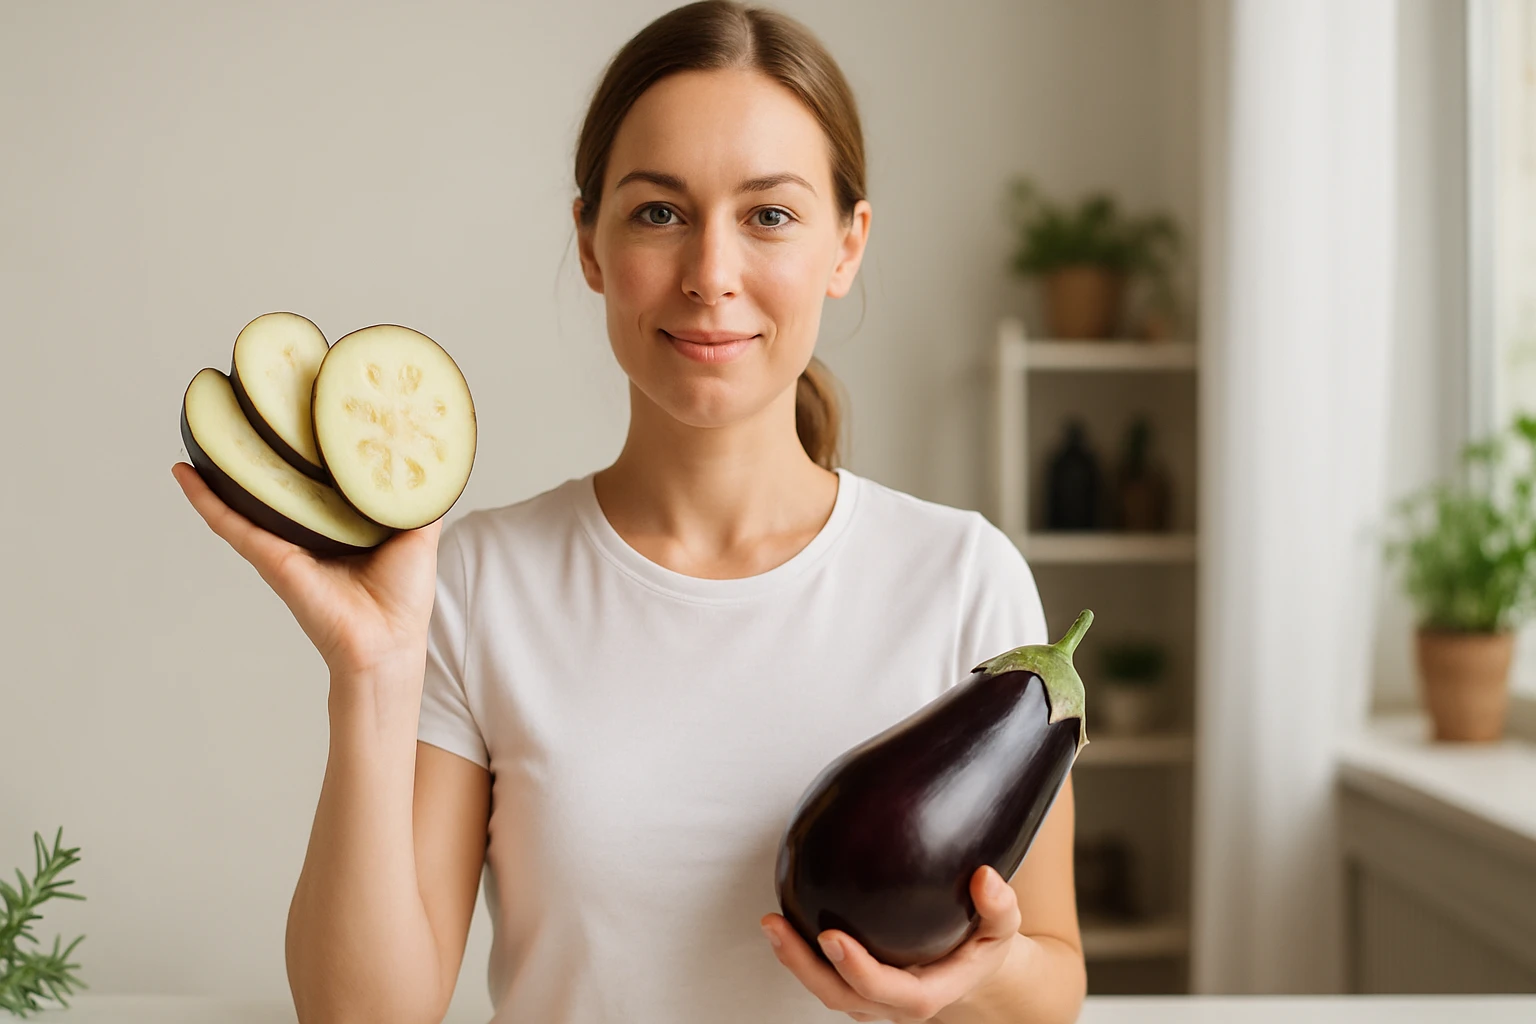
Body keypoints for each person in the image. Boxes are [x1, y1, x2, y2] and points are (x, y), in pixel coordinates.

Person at [172, 2, 1086, 1021]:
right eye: (659, 211)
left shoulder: (962, 577)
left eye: (769, 215)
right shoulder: (481, 581)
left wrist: (978, 975)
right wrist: (371, 676)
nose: (710, 275)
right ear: (591, 241)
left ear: (847, 245)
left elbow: (1049, 980)